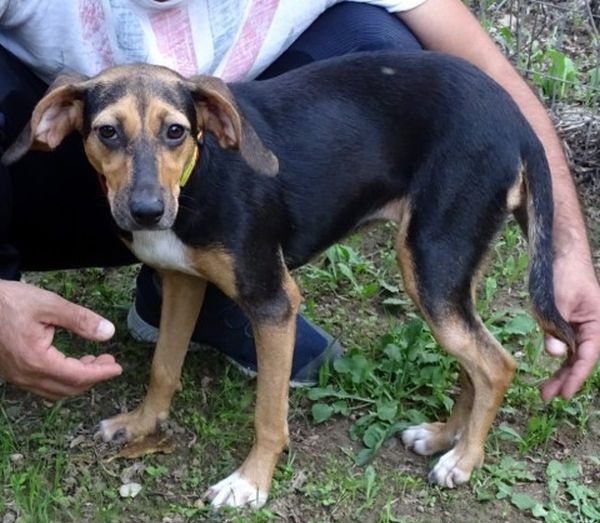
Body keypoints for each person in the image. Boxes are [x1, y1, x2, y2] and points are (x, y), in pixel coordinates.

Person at [0, 0, 598, 401]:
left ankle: (230, 277)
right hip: (43, 171)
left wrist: (564, 246)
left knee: (380, 38)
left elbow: (487, 81)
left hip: (228, 157)